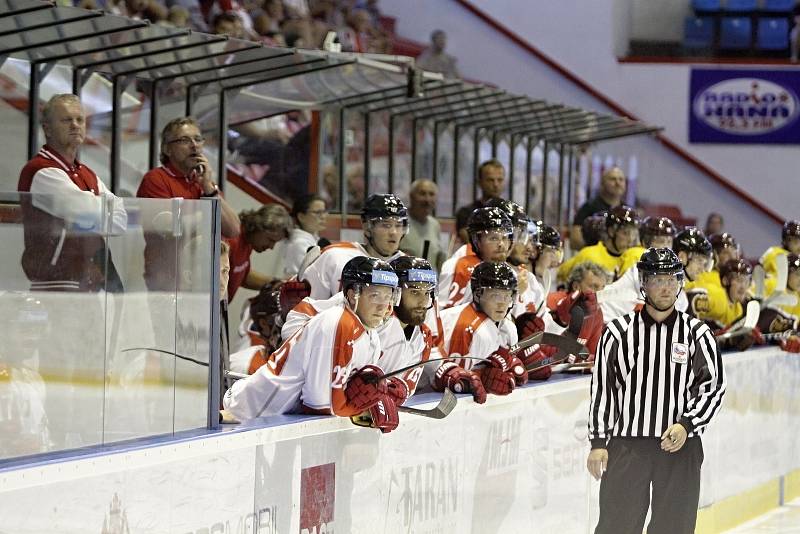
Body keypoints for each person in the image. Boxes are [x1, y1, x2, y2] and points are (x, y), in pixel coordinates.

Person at [587, 247, 726, 534]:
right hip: (627, 445)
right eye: (657, 280)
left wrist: (687, 424)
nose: (665, 287)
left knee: (674, 527)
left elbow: (713, 387)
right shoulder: (616, 333)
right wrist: (598, 442)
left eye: (671, 279)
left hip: (679, 445)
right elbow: (603, 389)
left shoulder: (697, 333)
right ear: (643, 284)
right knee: (617, 525)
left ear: (680, 283)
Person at [223, 256, 402, 433]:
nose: (383, 306)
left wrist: (380, 394)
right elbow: (319, 403)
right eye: (375, 296)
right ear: (351, 294)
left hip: (278, 419)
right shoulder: (337, 322)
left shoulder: (371, 335)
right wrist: (364, 410)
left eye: (388, 296)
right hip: (249, 412)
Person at [18, 93, 127, 292]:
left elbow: (120, 221)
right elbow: (87, 213)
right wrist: (96, 206)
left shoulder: (87, 173)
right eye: (67, 120)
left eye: (80, 120)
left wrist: (91, 207)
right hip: (56, 284)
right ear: (47, 129)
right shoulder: (41, 171)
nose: (75, 125)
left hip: (87, 283)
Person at [435, 261, 526, 399]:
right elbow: (453, 380)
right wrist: (483, 376)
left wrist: (511, 368)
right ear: (478, 294)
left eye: (507, 295)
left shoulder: (509, 327)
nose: (502, 303)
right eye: (495, 295)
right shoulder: (467, 327)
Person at [302, 193, 408, 299]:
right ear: (367, 227)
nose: (394, 232)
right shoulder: (334, 256)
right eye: (386, 225)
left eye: (398, 225)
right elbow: (309, 308)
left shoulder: (408, 268)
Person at [597, 227, 707, 323]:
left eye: (706, 263)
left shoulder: (682, 300)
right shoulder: (645, 269)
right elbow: (644, 318)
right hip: (601, 322)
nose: (703, 269)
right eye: (700, 261)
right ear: (682, 256)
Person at [438, 206, 513, 309]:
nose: (501, 244)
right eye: (493, 238)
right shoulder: (454, 266)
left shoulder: (511, 273)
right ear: (476, 241)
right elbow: (440, 312)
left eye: (504, 238)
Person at [686, 259, 762, 351]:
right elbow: (688, 303)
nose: (743, 286)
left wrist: (733, 339)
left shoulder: (738, 309)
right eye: (738, 280)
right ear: (725, 281)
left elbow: (719, 337)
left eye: (746, 281)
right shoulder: (717, 297)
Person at [558, 205, 639, 283]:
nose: (631, 239)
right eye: (626, 233)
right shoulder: (590, 255)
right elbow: (561, 277)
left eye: (633, 234)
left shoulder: (633, 258)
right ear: (611, 231)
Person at [226, 205, 291, 302]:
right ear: (258, 226)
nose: (271, 247)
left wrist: (278, 283)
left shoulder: (248, 243)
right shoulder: (232, 240)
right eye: (270, 240)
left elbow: (242, 276)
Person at [570, 167, 627, 250]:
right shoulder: (589, 207)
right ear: (602, 183)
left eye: (621, 179)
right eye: (613, 179)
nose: (617, 183)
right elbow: (575, 240)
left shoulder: (627, 211)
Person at [453, 159, 506, 245]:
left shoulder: (509, 213)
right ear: (480, 182)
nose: (496, 184)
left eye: (500, 180)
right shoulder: (466, 213)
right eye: (490, 180)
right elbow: (472, 243)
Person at [401, 179, 446, 271]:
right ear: (411, 196)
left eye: (431, 194)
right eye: (422, 194)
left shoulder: (435, 225)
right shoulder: (399, 222)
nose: (427, 199)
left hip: (430, 281)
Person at [284, 194, 328, 278]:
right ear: (301, 216)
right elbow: (311, 276)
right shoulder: (299, 243)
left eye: (324, 212)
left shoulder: (314, 239)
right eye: (318, 212)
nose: (323, 217)